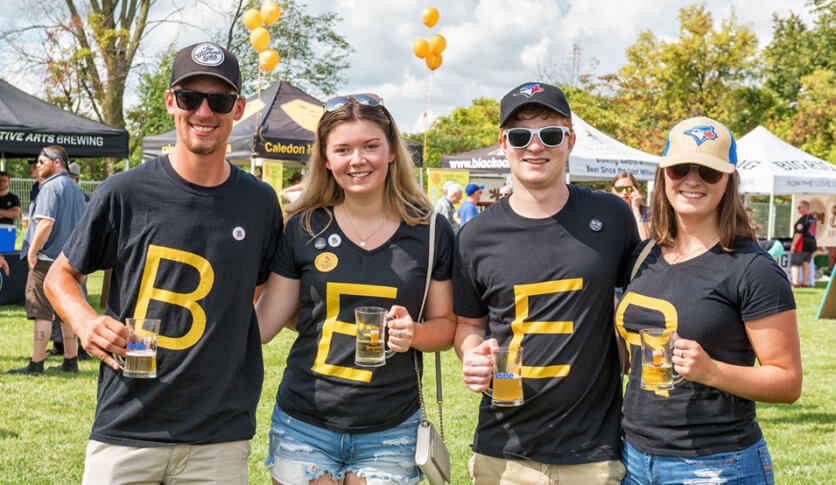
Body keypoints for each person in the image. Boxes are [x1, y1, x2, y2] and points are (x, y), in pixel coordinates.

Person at [43, 42, 282, 483]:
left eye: (221, 100)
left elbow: (258, 285)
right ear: (171, 101)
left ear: (239, 108)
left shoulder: (260, 203)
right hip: (127, 424)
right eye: (191, 98)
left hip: (219, 435)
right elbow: (60, 274)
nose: (204, 112)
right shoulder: (124, 192)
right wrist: (84, 320)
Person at [256, 92, 456, 485]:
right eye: (343, 149)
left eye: (370, 146)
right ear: (327, 160)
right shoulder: (304, 227)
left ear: (392, 151)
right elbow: (263, 325)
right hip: (303, 422)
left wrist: (414, 334)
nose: (357, 160)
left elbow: (447, 325)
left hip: (392, 427)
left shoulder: (431, 231)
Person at [454, 82, 638, 484]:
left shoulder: (612, 217)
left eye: (550, 134)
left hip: (591, 451)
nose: (534, 147)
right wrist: (471, 355)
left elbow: (643, 299)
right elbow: (468, 324)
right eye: (521, 136)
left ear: (569, 141)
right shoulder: (474, 236)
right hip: (503, 451)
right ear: (503, 144)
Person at [616, 116, 802, 484]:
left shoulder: (752, 269)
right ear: (663, 174)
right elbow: (628, 361)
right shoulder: (643, 255)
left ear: (728, 182)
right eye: (681, 168)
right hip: (634, 458)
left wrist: (711, 372)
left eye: (709, 172)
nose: (692, 180)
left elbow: (788, 382)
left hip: (716, 465)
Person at [7, 145, 85, 375]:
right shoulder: (74, 188)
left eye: (41, 161)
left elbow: (46, 223)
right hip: (69, 260)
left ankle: (36, 363)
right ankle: (71, 360)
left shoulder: (51, 188)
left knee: (41, 311)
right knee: (65, 312)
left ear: (57, 162)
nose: (37, 166)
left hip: (46, 259)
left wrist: (32, 251)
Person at [611, 171, 650, 240]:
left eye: (628, 188)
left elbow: (645, 241)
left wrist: (636, 209)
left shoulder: (647, 213)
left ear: (635, 189)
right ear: (613, 190)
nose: (624, 192)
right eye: (619, 189)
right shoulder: (607, 211)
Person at [791, 200, 816, 288]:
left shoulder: (803, 219)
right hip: (811, 244)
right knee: (806, 263)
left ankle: (795, 283)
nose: (798, 209)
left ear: (805, 208)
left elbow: (798, 233)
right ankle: (805, 283)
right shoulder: (813, 218)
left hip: (802, 244)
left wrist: (793, 245)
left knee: (795, 264)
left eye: (799, 207)